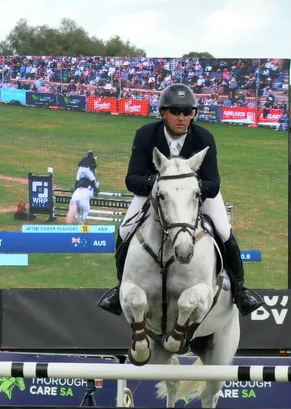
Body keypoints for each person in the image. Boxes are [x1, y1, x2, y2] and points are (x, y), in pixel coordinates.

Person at [96, 83, 263, 316]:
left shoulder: (205, 137)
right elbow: (132, 179)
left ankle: (239, 289)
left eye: (188, 112)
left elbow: (213, 184)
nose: (182, 117)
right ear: (163, 113)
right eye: (175, 111)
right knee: (125, 230)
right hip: (155, 194)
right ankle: (119, 287)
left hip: (196, 195)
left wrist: (189, 188)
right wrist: (160, 185)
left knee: (224, 230)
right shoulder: (146, 135)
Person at [66, 150, 99, 225]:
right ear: (92, 155)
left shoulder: (84, 158)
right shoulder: (92, 159)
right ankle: (96, 190)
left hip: (80, 169)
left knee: (77, 180)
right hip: (87, 169)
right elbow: (94, 166)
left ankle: (74, 189)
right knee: (93, 179)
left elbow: (79, 163)